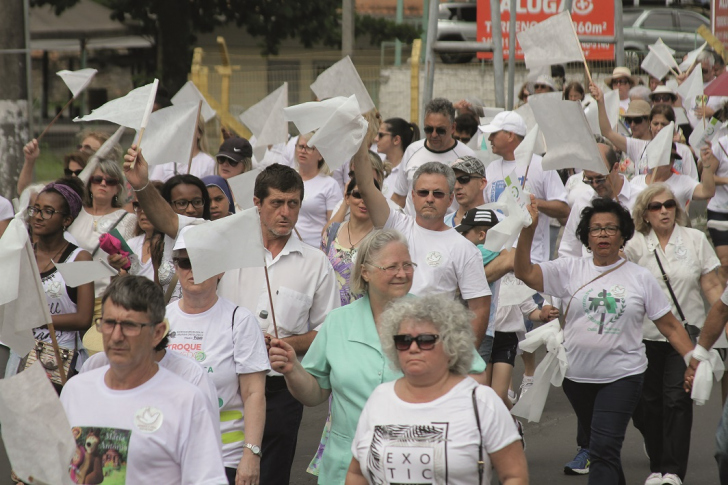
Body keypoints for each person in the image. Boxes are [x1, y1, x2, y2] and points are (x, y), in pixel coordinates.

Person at [123, 150, 340, 484]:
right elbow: (171, 223)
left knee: (269, 476)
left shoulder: (316, 263)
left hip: (280, 387)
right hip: (221, 383)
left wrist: (287, 344)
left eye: (294, 204)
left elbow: (328, 330)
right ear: (256, 202)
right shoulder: (222, 239)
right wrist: (141, 186)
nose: (285, 212)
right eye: (277, 203)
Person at [268, 230, 487, 484]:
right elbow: (315, 393)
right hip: (344, 466)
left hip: (415, 464)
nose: (402, 273)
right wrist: (292, 368)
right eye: (391, 266)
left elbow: (476, 376)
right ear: (365, 272)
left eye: (408, 265)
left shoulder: (433, 318)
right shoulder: (338, 322)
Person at [514, 196, 696, 485]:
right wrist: (528, 229)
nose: (603, 234)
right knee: (605, 450)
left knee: (602, 448)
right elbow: (524, 272)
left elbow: (671, 326)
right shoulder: (569, 270)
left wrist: (692, 361)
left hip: (623, 377)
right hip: (577, 379)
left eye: (611, 228)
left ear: (623, 234)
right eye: (596, 228)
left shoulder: (640, 277)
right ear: (586, 236)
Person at [59, 275, 227, 484]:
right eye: (109, 323)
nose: (117, 336)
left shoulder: (188, 400)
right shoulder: (75, 390)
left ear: (157, 333)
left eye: (130, 326)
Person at [346, 294, 527, 485]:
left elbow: (514, 476)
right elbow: (357, 474)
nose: (413, 348)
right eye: (404, 340)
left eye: (425, 340)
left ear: (451, 345)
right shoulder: (380, 398)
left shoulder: (481, 402)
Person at [625, 184, 723, 485]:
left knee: (676, 401)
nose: (664, 210)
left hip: (685, 332)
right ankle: (657, 465)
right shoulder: (635, 245)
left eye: (669, 204)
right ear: (645, 214)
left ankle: (672, 472)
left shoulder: (694, 239)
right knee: (646, 407)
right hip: (643, 337)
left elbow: (710, 285)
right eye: (656, 207)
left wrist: (725, 321)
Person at [354, 142, 491, 347]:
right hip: (384, 341)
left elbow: (479, 308)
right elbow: (365, 186)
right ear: (412, 196)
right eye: (423, 192)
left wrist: (466, 360)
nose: (429, 199)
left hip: (432, 348)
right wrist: (360, 141)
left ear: (450, 198)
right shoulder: (395, 225)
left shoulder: (465, 249)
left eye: (438, 194)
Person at [167, 228, 269, 484]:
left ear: (221, 269)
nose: (194, 269)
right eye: (186, 262)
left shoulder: (240, 320)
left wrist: (251, 454)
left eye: (204, 260)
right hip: (170, 453)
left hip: (224, 457)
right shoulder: (160, 319)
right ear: (177, 268)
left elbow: (254, 394)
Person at [480, 110, 570, 395]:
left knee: (533, 319)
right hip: (501, 254)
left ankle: (530, 374)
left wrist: (533, 203)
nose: (490, 139)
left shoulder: (540, 166)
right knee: (507, 317)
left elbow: (563, 209)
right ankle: (508, 378)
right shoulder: (492, 169)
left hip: (534, 254)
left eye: (494, 134)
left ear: (511, 136)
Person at [26, 178, 94, 383]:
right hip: (22, 354)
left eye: (48, 211)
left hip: (59, 359)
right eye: (36, 209)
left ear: (67, 220)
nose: (38, 217)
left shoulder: (79, 258)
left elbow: (83, 318)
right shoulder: (24, 254)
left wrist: (38, 320)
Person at [67, 158, 137, 316]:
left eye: (110, 181)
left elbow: (134, 264)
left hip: (105, 300)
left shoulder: (129, 220)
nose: (103, 184)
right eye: (97, 179)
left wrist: (121, 265)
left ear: (117, 188)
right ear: (89, 184)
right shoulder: (74, 214)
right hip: (70, 298)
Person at [592, 84, 698, 181]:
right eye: (655, 124)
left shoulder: (683, 151)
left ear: (673, 125)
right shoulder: (640, 147)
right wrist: (600, 102)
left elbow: (693, 185)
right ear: (650, 124)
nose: (659, 128)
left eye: (664, 124)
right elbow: (608, 132)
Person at [391, 98, 475, 215]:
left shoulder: (467, 156)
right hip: (412, 230)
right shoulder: (412, 151)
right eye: (429, 129)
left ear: (453, 128)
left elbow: (474, 202)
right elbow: (398, 198)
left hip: (450, 230)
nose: (434, 135)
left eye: (440, 130)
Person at [559, 143, 638, 259]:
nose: (595, 185)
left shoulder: (639, 199)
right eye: (589, 180)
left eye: (600, 179)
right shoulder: (583, 201)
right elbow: (569, 250)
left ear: (616, 168)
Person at [322, 176, 376, 307]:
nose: (363, 201)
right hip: (329, 314)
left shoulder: (380, 239)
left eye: (369, 195)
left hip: (364, 316)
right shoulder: (332, 231)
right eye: (358, 195)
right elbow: (320, 275)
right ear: (347, 198)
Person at [294, 132, 343, 247]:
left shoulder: (330, 185)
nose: (303, 151)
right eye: (301, 146)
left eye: (310, 148)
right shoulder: (286, 178)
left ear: (320, 155)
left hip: (315, 248)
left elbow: (334, 225)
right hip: (287, 246)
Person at [149, 114, 216, 182]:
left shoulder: (208, 162)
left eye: (190, 127)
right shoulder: (165, 160)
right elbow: (154, 186)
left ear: (199, 134)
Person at [375, 118, 420, 198]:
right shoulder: (376, 164)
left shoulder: (409, 169)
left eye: (381, 135)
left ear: (396, 140)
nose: (376, 139)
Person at [445, 156, 487, 228]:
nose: (456, 186)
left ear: (482, 183)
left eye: (464, 179)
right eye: (453, 181)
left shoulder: (500, 223)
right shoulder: (442, 225)